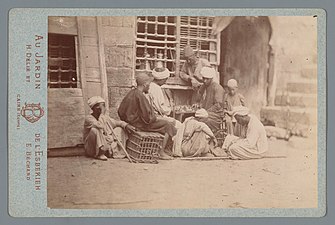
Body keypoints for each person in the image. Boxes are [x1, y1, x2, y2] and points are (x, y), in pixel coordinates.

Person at [118, 72, 177, 160]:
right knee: (167, 125)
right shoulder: (140, 96)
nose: (149, 86)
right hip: (140, 124)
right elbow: (148, 118)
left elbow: (120, 111)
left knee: (164, 122)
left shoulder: (131, 93)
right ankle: (161, 152)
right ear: (145, 84)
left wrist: (128, 121)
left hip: (132, 122)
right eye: (149, 84)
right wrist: (155, 118)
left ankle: (160, 149)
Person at [83, 96, 136, 161]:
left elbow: (116, 122)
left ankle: (114, 152)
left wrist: (126, 125)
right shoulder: (89, 119)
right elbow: (100, 125)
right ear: (95, 108)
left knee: (119, 129)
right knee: (94, 130)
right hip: (92, 149)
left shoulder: (104, 117)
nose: (104, 108)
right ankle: (100, 154)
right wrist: (102, 113)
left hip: (105, 145)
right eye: (102, 106)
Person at [196, 67, 225, 135]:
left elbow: (218, 105)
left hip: (216, 115)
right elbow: (199, 93)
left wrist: (207, 111)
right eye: (203, 78)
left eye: (207, 79)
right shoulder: (204, 85)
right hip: (205, 113)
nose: (205, 81)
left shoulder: (218, 88)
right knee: (193, 120)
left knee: (201, 122)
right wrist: (197, 102)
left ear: (211, 78)